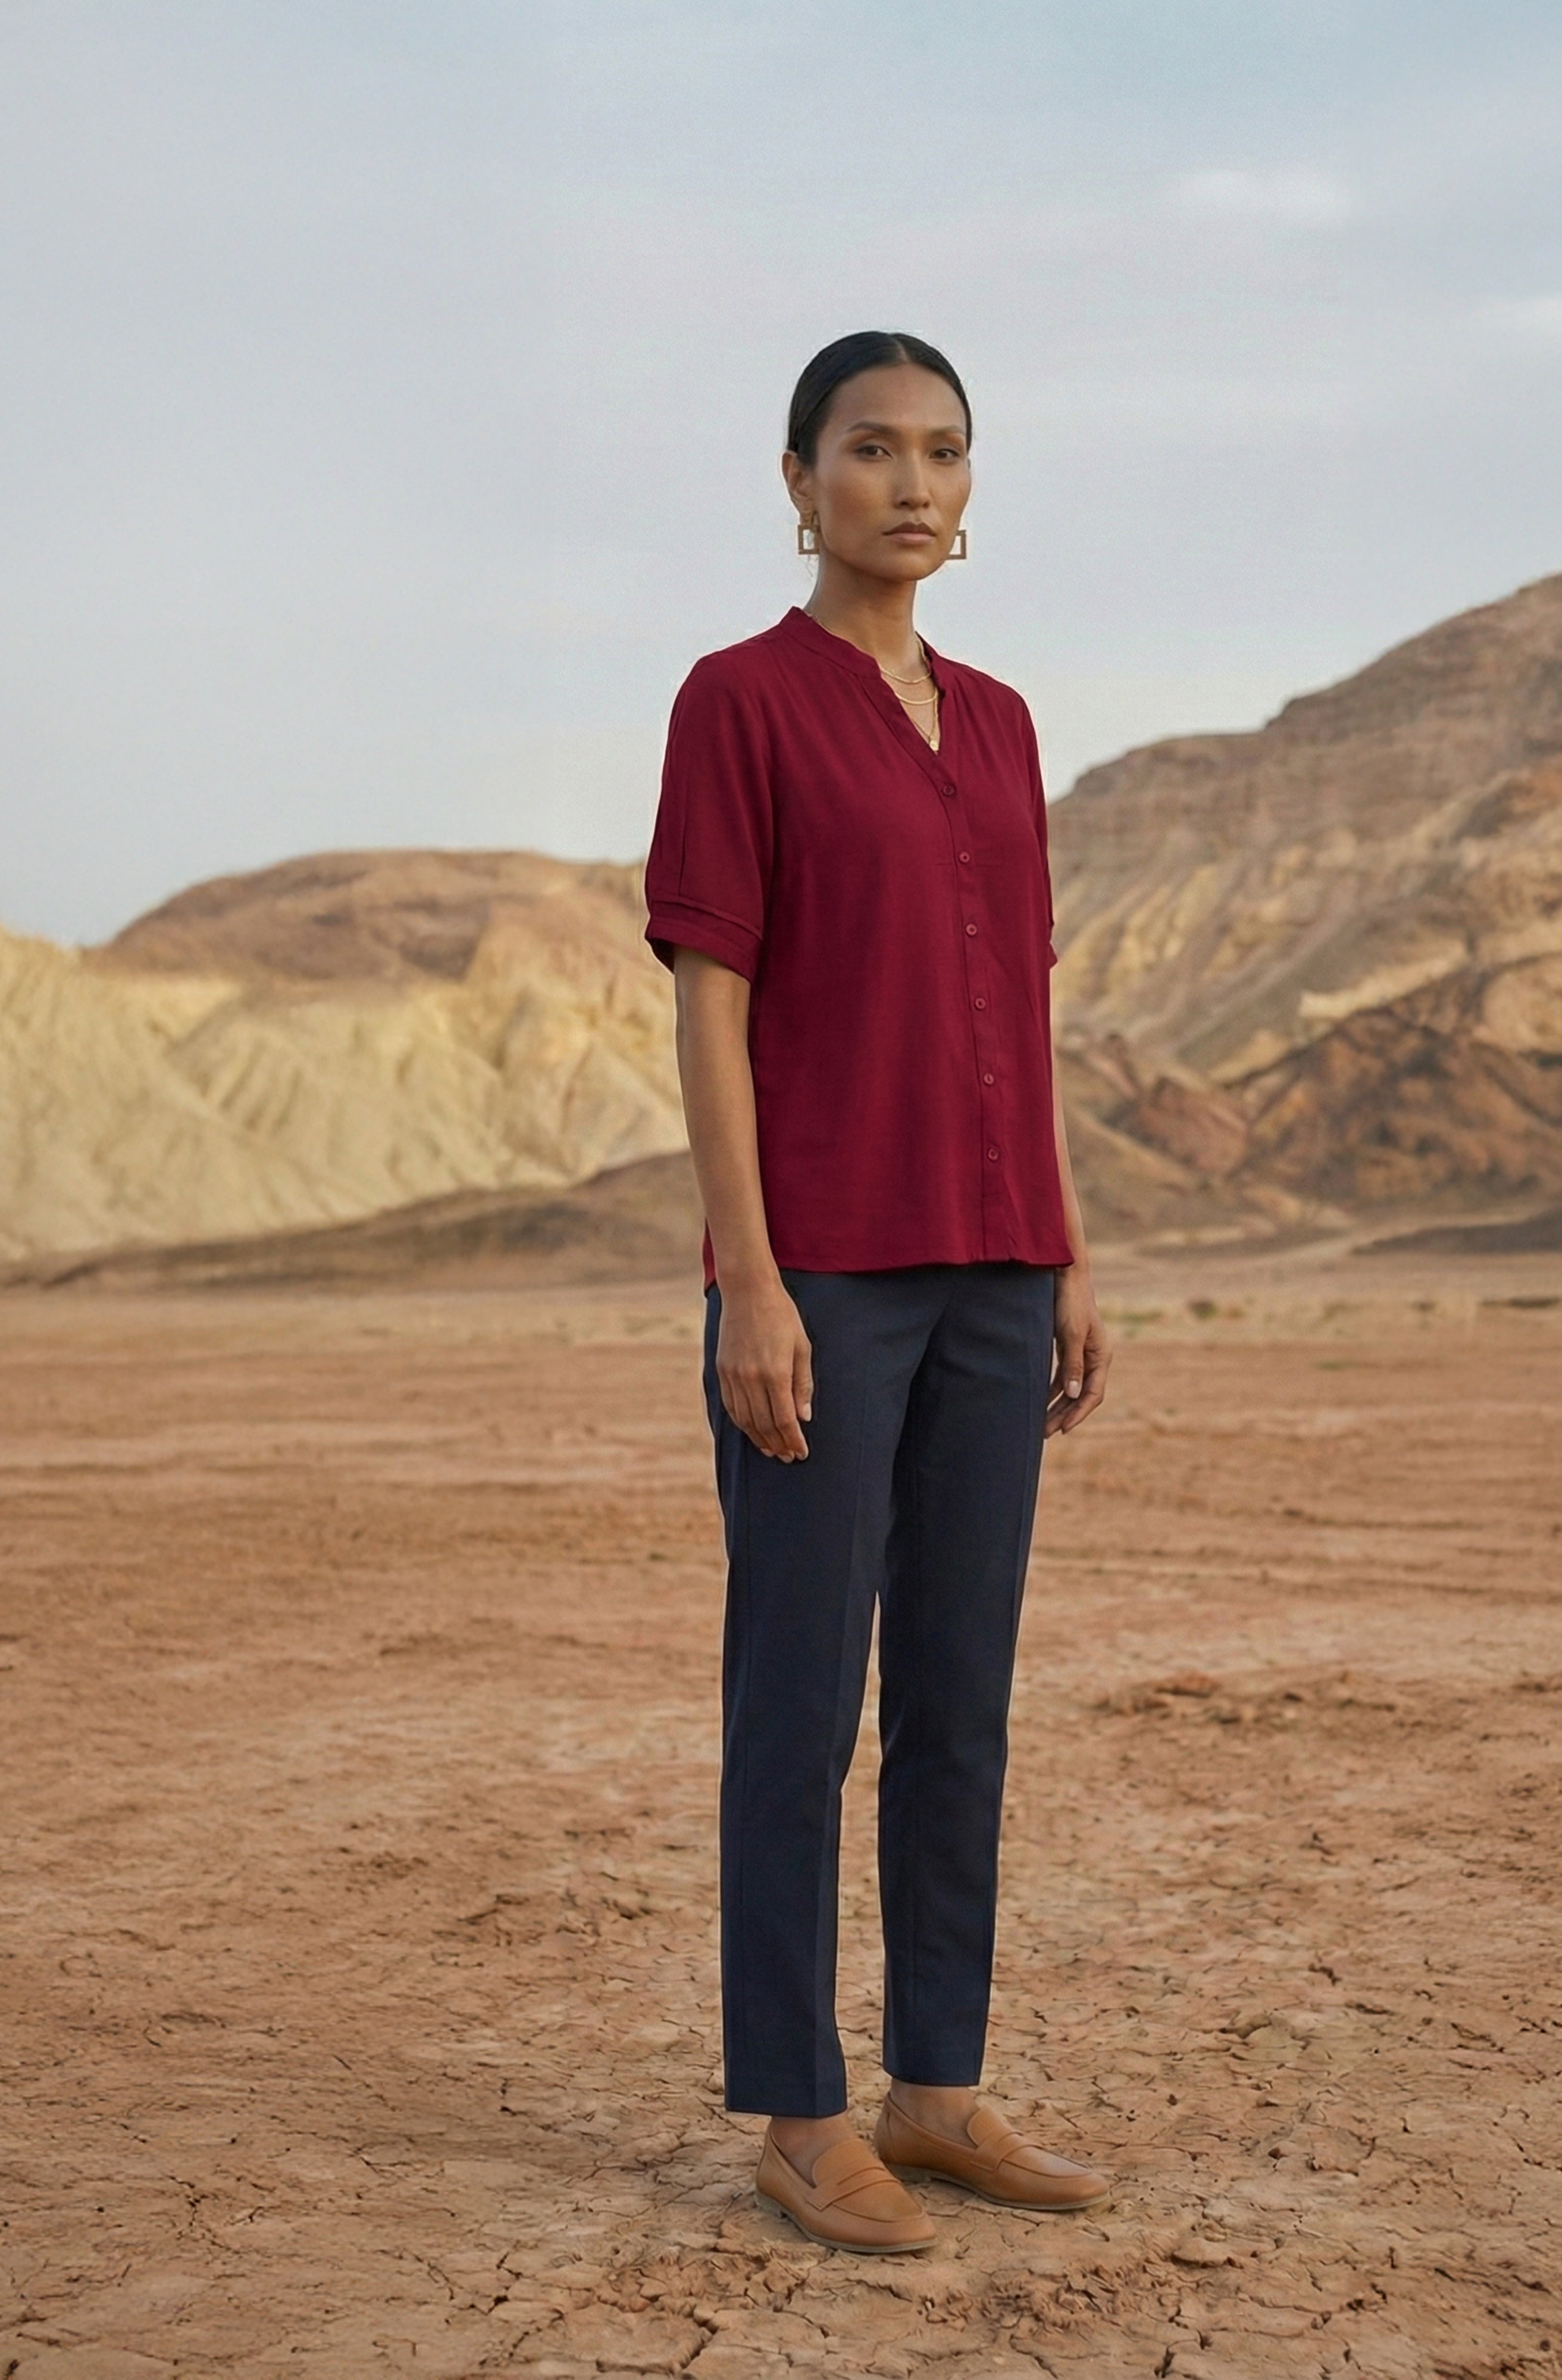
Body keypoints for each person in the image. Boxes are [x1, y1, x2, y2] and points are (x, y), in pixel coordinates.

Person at [643, 330, 1111, 2255]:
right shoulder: (740, 700)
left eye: (943, 451)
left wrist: (1065, 1245)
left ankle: (935, 2088)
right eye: (869, 448)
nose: (911, 483)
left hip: (998, 1268)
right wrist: (751, 1280)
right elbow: (712, 1003)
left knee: (960, 1695)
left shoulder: (999, 723)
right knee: (799, 1696)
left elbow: (1023, 1008)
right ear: (799, 478)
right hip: (826, 1268)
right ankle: (798, 2110)